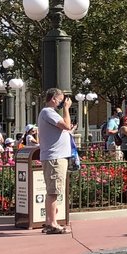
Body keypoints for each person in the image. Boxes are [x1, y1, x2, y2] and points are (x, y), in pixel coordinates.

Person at [37, 88, 74, 234]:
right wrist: (66, 109)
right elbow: (67, 125)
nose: (62, 103)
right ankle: (52, 223)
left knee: (54, 191)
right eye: (60, 100)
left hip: (56, 157)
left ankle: (50, 221)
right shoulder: (48, 112)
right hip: (55, 158)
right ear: (53, 98)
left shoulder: (49, 113)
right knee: (53, 191)